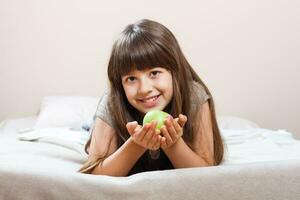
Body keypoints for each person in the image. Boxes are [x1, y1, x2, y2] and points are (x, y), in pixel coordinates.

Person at [79, 19, 224, 176]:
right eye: (131, 79)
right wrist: (136, 144)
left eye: (154, 73)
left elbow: (206, 170)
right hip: (109, 125)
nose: (144, 89)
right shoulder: (112, 100)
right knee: (88, 127)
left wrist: (173, 145)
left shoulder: (194, 94)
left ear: (174, 71)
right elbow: (95, 172)